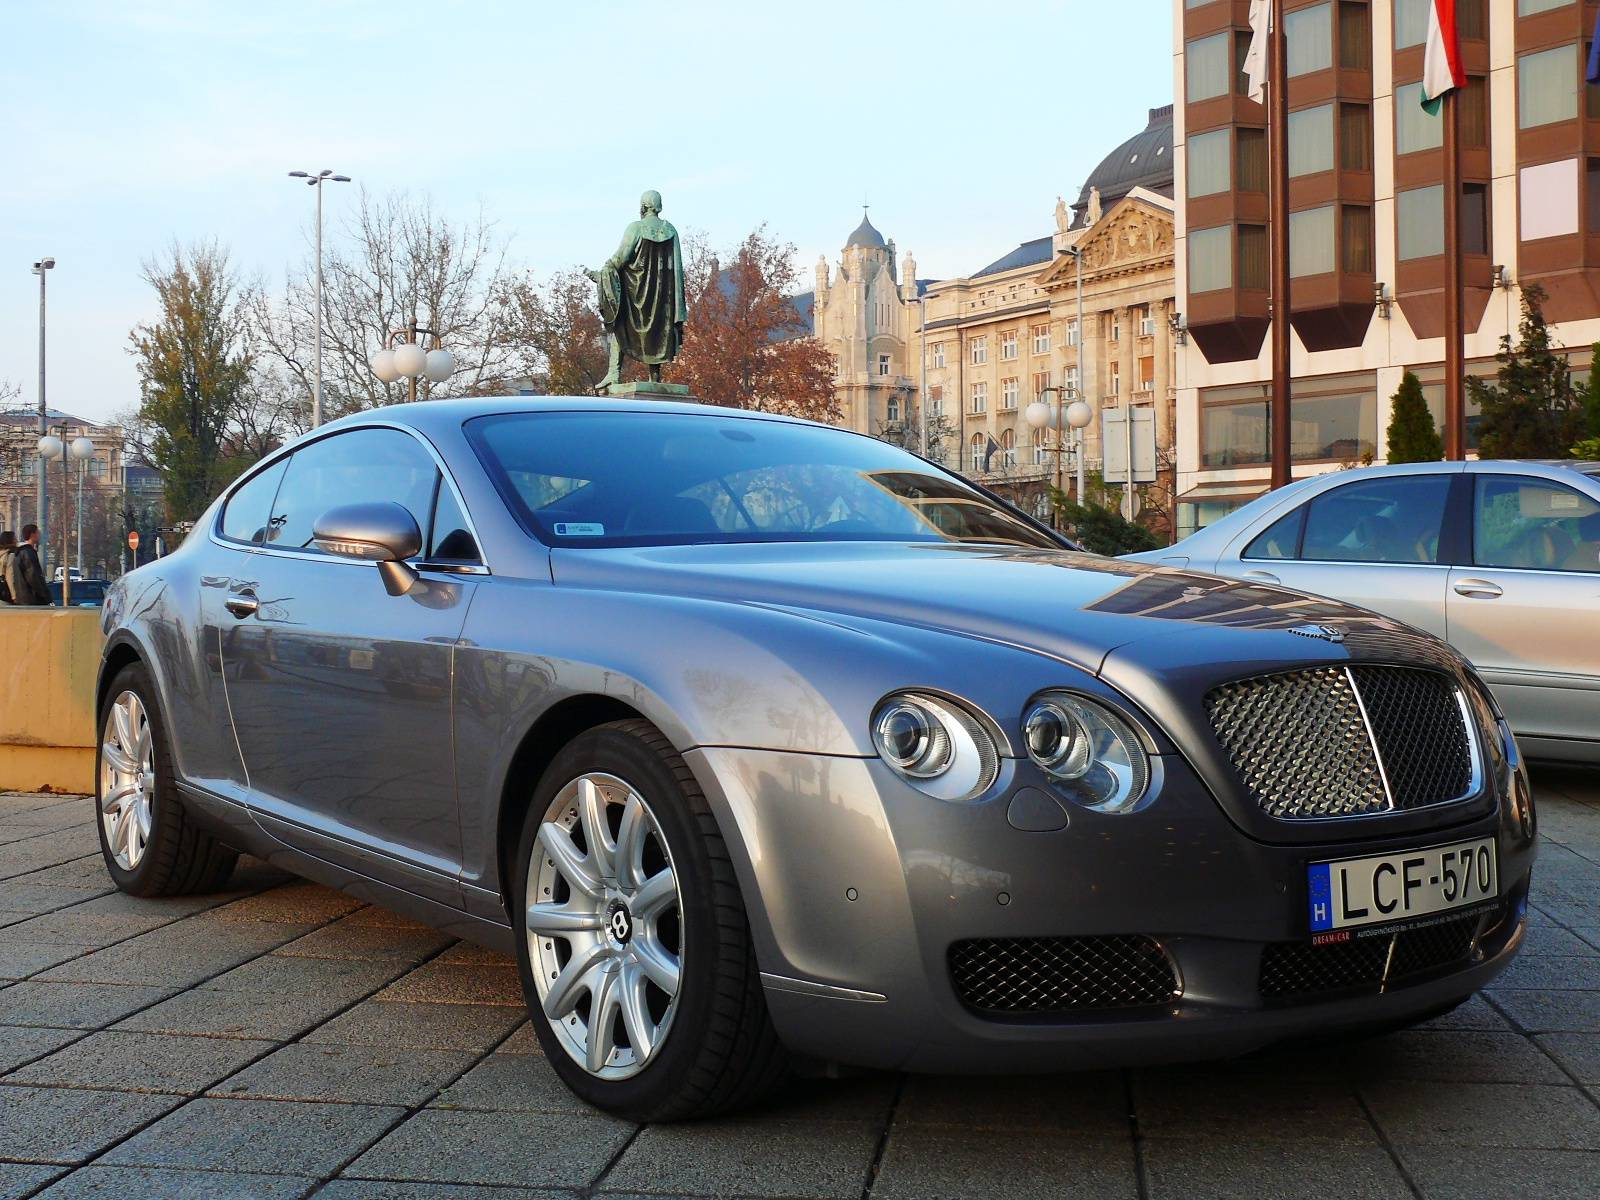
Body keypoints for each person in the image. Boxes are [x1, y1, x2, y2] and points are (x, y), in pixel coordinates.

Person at [9, 524, 53, 606]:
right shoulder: (28, 553)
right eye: (38, 533)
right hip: (32, 598)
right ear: (32, 535)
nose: (39, 535)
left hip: (23, 598)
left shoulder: (19, 552)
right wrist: (44, 595)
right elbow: (33, 576)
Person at [0, 531, 15, 604]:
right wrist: (14, 595)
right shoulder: (10, 555)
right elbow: (10, 576)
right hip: (4, 593)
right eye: (14, 539)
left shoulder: (1, 554)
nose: (16, 541)